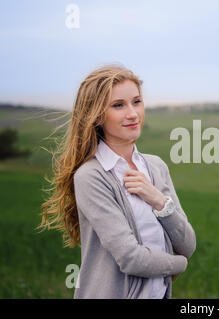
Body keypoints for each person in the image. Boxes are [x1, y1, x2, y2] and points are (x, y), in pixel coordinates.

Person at [38, 64, 196, 298]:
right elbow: (131, 258)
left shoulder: (156, 167)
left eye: (137, 101)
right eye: (118, 105)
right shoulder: (91, 176)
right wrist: (179, 264)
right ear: (96, 115)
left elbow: (188, 244)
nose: (132, 113)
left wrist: (158, 200)